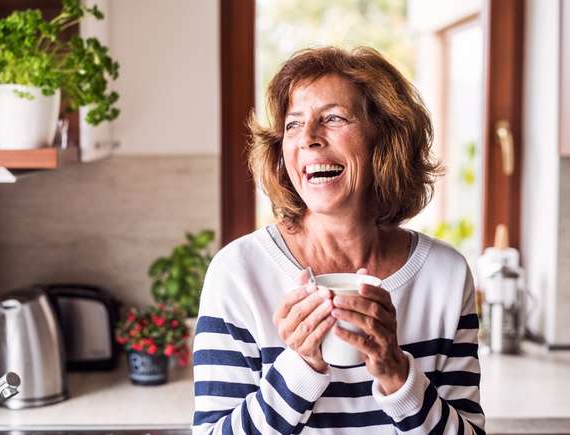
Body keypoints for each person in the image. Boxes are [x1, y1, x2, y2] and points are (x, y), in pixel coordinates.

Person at [192, 46, 484, 434]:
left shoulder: (445, 275)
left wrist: (398, 376)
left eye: (333, 118)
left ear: (384, 138)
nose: (308, 138)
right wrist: (300, 367)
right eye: (293, 124)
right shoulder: (238, 273)